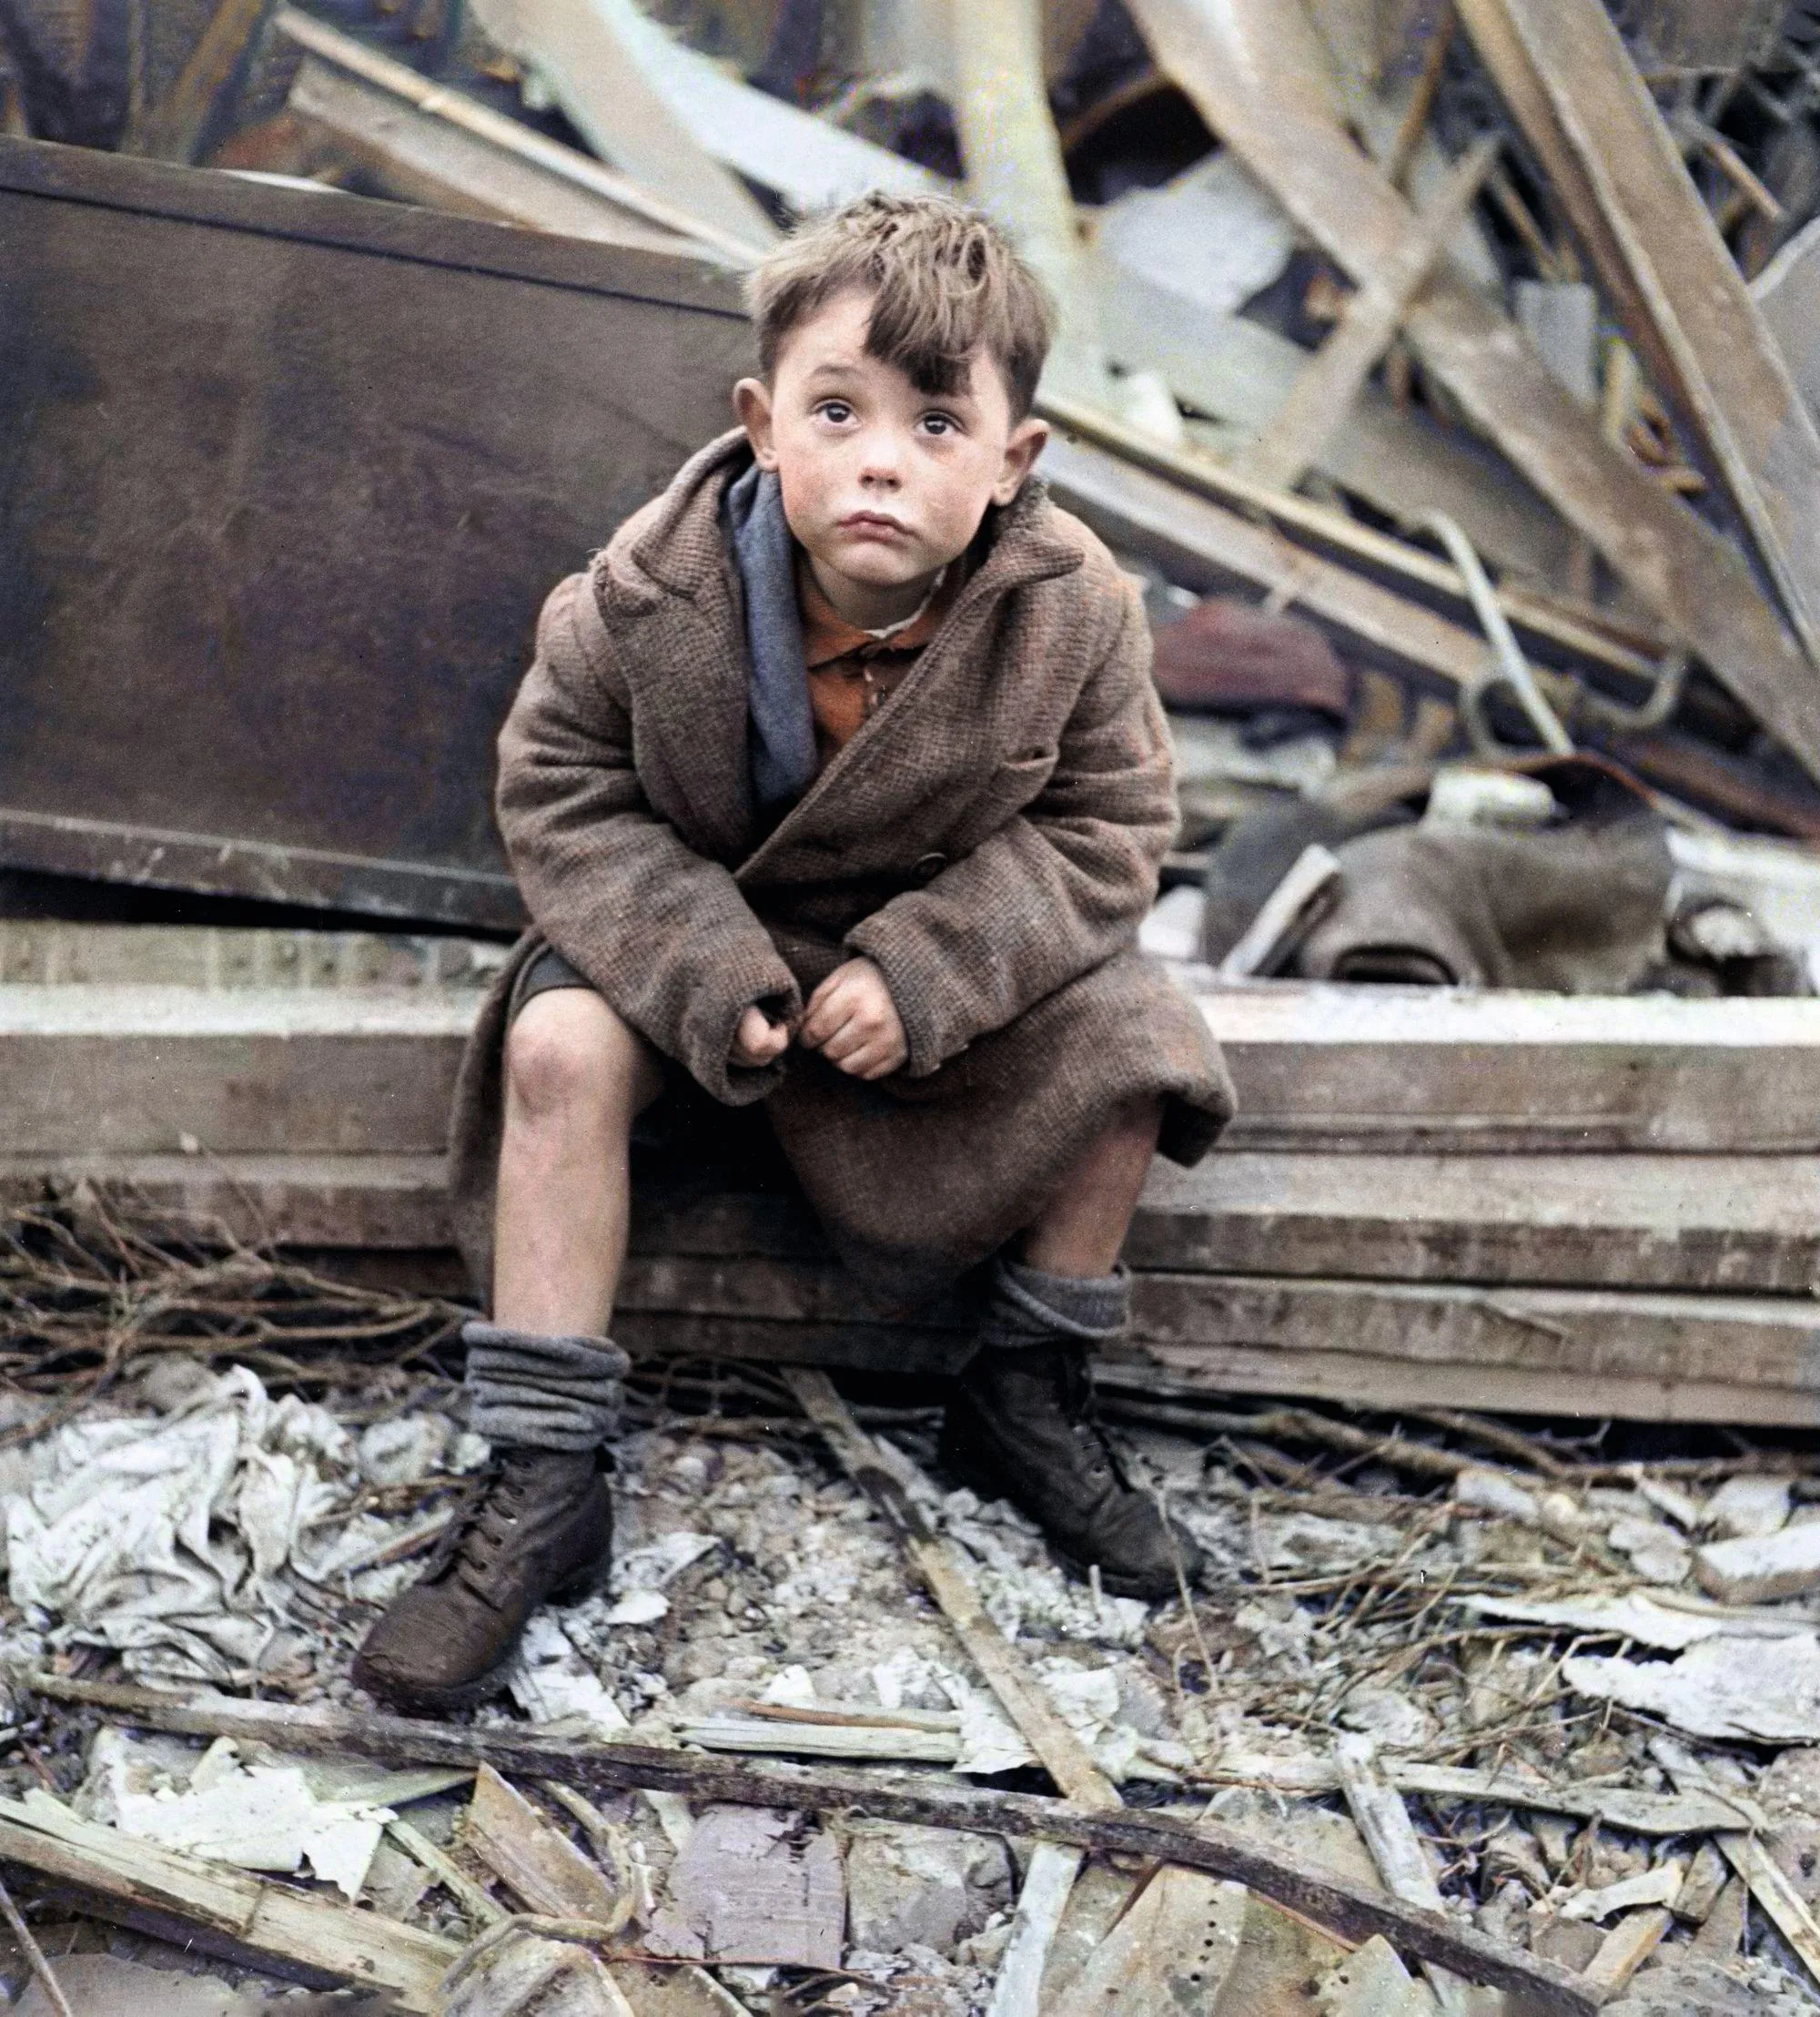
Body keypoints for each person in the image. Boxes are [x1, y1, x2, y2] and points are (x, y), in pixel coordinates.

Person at [353, 194, 1234, 1712]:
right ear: (765, 425)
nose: (882, 458)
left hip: (931, 969)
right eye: (840, 410)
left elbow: (1109, 824)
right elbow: (561, 795)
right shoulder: (643, 595)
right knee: (556, 1048)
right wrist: (700, 962)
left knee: (1145, 1051)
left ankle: (1020, 1392)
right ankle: (546, 1471)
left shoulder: (1072, 612)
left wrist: (930, 968)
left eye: (938, 425)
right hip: (700, 938)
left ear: (1016, 461)